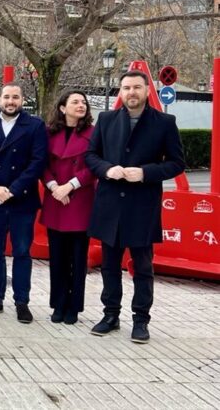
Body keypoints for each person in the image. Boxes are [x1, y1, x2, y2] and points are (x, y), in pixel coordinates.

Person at [86, 71, 185, 343]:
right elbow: (91, 156)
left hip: (142, 207)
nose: (131, 92)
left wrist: (145, 173)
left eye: (136, 87)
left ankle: (141, 320)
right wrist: (107, 170)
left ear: (145, 90)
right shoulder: (106, 120)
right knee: (109, 265)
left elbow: (177, 163)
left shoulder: (164, 122)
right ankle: (110, 315)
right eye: (126, 87)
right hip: (110, 205)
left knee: (142, 267)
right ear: (120, 91)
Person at [0, 83, 48, 323]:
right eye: (6, 97)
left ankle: (22, 301)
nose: (10, 101)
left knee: (22, 252)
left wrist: (13, 190)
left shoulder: (35, 126)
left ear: (22, 100)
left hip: (22, 200)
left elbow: (38, 161)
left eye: (15, 97)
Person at [39, 90, 96, 325]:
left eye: (83, 102)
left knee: (78, 258)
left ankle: (74, 305)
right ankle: (59, 303)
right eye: (75, 102)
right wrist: (54, 187)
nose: (80, 105)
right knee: (57, 258)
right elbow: (41, 163)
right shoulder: (49, 133)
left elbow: (94, 165)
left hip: (80, 200)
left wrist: (70, 186)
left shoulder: (94, 133)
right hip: (55, 201)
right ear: (63, 108)